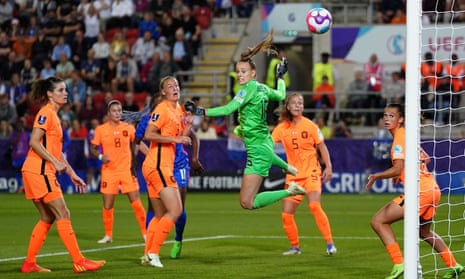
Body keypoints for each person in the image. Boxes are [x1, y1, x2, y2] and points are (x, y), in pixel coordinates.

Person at [185, 32, 306, 211]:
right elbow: (281, 94)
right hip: (264, 142)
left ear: (253, 73)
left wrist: (199, 111)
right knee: (265, 158)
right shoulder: (262, 87)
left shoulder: (246, 89)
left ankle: (290, 191)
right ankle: (289, 168)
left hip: (258, 149)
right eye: (238, 71)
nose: (239, 75)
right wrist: (280, 77)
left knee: (246, 202)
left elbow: (227, 109)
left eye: (243, 72)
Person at [365, 103, 464, 279]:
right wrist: (403, 172)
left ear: (401, 119)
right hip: (433, 189)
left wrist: (376, 176)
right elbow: (426, 159)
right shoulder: (408, 136)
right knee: (424, 232)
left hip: (421, 191)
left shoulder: (399, 138)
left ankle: (399, 264)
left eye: (392, 116)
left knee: (378, 221)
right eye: (385, 115)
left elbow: (397, 168)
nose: (387, 119)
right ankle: (454, 265)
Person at [20, 77, 105, 273]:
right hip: (39, 170)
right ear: (49, 94)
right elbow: (34, 141)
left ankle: (29, 263)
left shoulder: (54, 116)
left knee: (47, 217)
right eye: (60, 90)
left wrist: (70, 172)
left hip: (37, 169)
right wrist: (54, 162)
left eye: (65, 90)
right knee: (63, 213)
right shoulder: (46, 113)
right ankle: (79, 261)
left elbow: (56, 151)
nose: (65, 93)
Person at [138, 76, 195, 268]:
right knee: (176, 210)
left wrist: (188, 125)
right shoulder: (162, 109)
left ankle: (147, 254)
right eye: (170, 86)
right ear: (163, 92)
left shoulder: (178, 110)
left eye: (177, 85)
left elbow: (181, 138)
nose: (174, 88)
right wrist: (175, 139)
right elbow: (148, 134)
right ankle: (154, 252)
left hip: (158, 165)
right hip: (158, 164)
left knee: (160, 214)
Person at [271, 93, 336, 256]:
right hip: (293, 176)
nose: (298, 105)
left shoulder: (311, 126)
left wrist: (328, 166)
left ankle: (330, 244)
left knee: (314, 205)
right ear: (288, 106)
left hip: (311, 172)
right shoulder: (281, 128)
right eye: (294, 103)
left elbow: (322, 147)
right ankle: (295, 247)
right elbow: (268, 145)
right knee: (286, 214)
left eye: (300, 103)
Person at [91, 99, 147, 244]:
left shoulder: (128, 127)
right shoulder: (100, 130)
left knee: (136, 202)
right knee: (108, 204)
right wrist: (101, 156)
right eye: (114, 111)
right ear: (109, 113)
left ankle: (145, 233)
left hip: (126, 170)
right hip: (109, 171)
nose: (117, 113)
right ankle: (108, 235)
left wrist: (150, 155)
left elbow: (138, 143)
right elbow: (93, 148)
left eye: (119, 111)